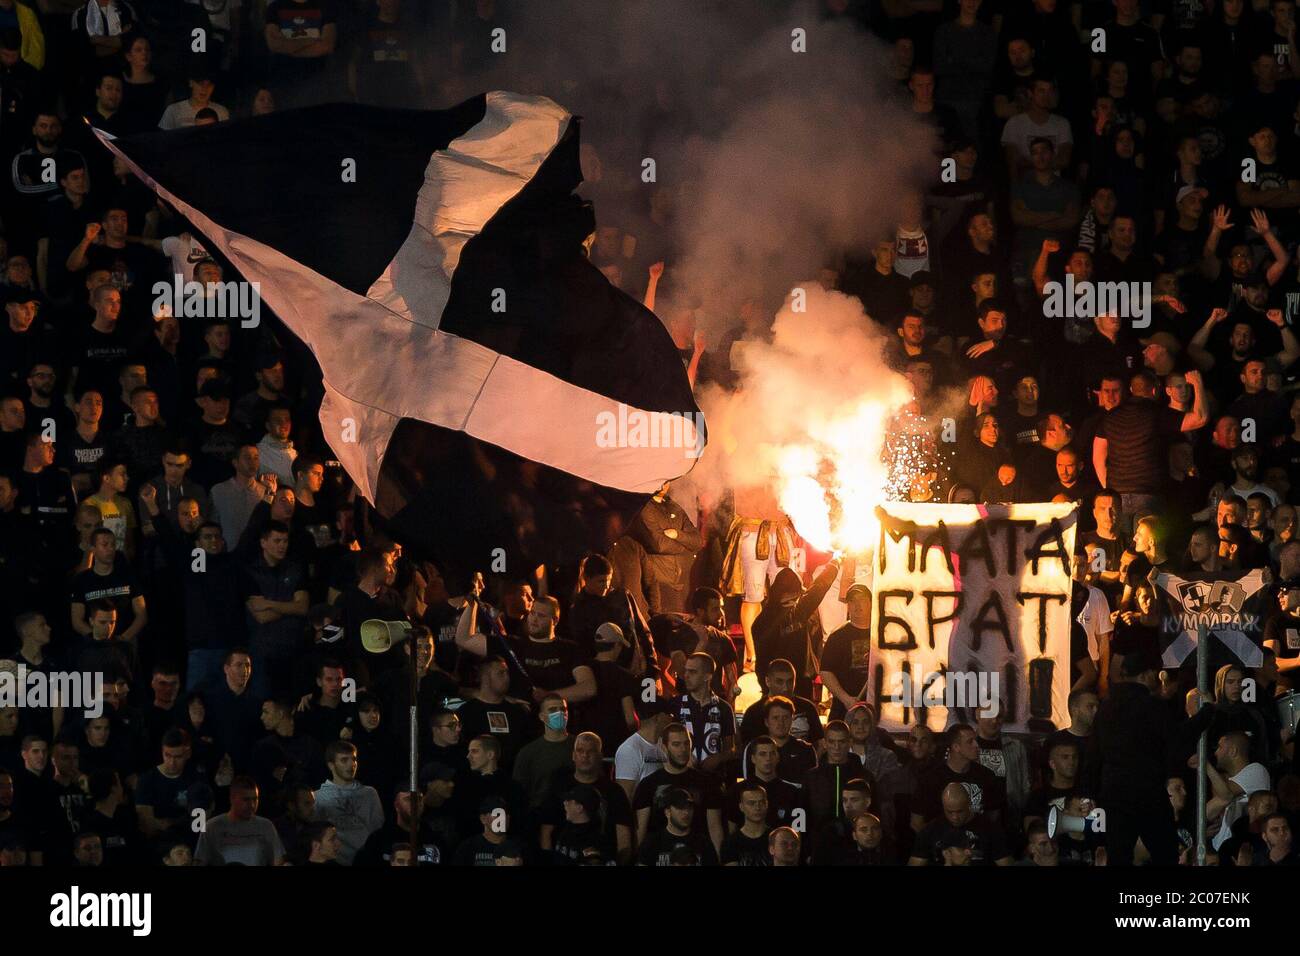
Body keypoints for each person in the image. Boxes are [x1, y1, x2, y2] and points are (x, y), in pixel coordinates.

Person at [312, 740, 384, 866]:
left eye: (354, 759)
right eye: (344, 760)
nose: (351, 764)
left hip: (367, 859)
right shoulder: (318, 796)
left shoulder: (369, 793)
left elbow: (377, 830)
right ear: (331, 765)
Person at [193, 777, 285, 866]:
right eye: (246, 800)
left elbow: (278, 860)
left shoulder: (266, 826)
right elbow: (200, 861)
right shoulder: (212, 827)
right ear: (232, 798)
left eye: (255, 799)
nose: (252, 805)